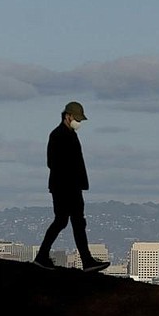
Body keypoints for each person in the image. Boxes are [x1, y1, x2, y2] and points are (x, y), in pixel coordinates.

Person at [34, 101, 110, 273]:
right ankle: (84, 260)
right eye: (77, 119)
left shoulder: (70, 134)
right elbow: (52, 163)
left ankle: (48, 257)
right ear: (67, 116)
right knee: (67, 221)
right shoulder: (58, 135)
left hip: (70, 186)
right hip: (65, 187)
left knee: (72, 221)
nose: (79, 122)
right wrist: (70, 181)